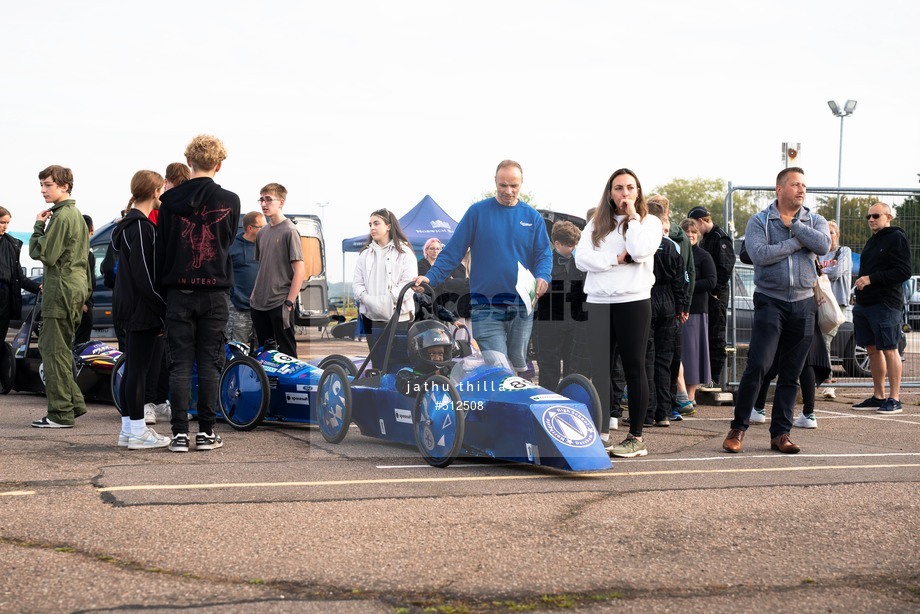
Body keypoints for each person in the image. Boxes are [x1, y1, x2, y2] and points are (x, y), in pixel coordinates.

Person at [722, 167, 830, 454]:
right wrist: (797, 242)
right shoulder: (760, 221)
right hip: (770, 300)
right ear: (779, 189)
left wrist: (796, 227)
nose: (801, 189)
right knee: (758, 364)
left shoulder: (814, 220)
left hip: (804, 303)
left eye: (804, 185)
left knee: (791, 373)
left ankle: (780, 434)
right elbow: (759, 256)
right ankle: (738, 428)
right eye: (795, 184)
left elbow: (823, 244)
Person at [413, 160, 552, 375]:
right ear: (495, 182)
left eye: (514, 186)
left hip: (522, 306)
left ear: (521, 184)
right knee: (498, 368)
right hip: (486, 306)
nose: (508, 191)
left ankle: (508, 407)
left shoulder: (532, 218)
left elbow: (543, 255)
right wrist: (430, 277)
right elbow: (452, 252)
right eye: (503, 185)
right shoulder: (477, 213)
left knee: (518, 365)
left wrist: (543, 276)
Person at [157, 134, 240, 452]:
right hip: (215, 290)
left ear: (188, 163)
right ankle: (206, 432)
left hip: (178, 289)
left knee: (179, 364)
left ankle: (179, 433)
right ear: (219, 164)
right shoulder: (230, 201)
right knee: (209, 362)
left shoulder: (169, 202)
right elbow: (227, 241)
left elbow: (161, 248)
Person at [575, 168, 662, 458]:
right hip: (599, 301)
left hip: (633, 301)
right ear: (609, 193)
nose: (624, 193)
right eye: (618, 188)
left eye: (629, 188)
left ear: (638, 191)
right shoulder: (596, 224)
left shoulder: (648, 222)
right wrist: (613, 259)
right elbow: (581, 259)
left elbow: (638, 252)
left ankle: (636, 437)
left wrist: (634, 219)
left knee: (634, 368)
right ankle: (601, 433)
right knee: (600, 369)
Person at [29, 165, 93, 428]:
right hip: (74, 289)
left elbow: (44, 254)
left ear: (64, 186)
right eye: (42, 185)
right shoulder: (76, 215)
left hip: (61, 290)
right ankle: (73, 403)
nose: (43, 190)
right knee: (60, 349)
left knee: (53, 350)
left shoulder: (62, 216)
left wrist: (37, 227)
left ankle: (60, 413)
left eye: (48, 185)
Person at [112, 170, 170, 449]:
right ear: (156, 191)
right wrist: (163, 308)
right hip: (141, 309)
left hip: (129, 306)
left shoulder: (126, 224)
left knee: (133, 367)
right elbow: (145, 276)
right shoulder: (141, 227)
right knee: (138, 370)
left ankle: (128, 429)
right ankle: (137, 432)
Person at [851, 202, 912, 414]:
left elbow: (904, 271)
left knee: (889, 348)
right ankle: (879, 396)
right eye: (868, 216)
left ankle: (895, 399)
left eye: (876, 216)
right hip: (865, 304)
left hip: (885, 303)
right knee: (872, 349)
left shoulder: (896, 237)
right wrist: (861, 284)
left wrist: (872, 279)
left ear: (888, 217)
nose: (871, 219)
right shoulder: (872, 241)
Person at [647, 195, 695, 416]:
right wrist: (682, 307)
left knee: (648, 357)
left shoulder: (642, 243)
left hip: (647, 299)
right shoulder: (674, 247)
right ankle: (664, 412)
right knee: (665, 359)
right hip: (669, 303)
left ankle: (649, 410)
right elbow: (682, 279)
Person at [353, 208, 418, 367]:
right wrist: (368, 300)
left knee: (396, 365)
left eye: (376, 223)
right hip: (370, 317)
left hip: (398, 316)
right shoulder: (364, 254)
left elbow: (408, 285)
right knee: (377, 364)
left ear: (388, 226)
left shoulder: (405, 253)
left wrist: (385, 301)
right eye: (370, 224)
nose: (372, 228)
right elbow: (357, 285)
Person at [250, 184, 304, 358]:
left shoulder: (290, 231)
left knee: (287, 355)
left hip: (280, 302)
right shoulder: (261, 233)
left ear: (281, 202)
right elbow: (263, 267)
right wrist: (253, 296)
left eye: (268, 199)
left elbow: (300, 270)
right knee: (263, 356)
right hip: (258, 303)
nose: (264, 204)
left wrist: (289, 302)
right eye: (262, 199)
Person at [533, 220, 588, 391]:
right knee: (549, 365)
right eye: (570, 245)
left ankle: (571, 398)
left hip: (575, 319)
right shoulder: (545, 263)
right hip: (549, 320)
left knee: (574, 365)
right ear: (557, 244)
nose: (574, 248)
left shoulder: (581, 262)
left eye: (576, 244)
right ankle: (548, 399)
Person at [687, 205, 733, 387]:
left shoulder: (719, 237)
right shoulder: (708, 237)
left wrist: (713, 290)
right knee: (707, 337)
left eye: (694, 228)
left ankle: (714, 378)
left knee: (716, 337)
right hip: (708, 296)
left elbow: (724, 268)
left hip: (716, 296)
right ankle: (707, 377)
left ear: (700, 222)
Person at [680, 218, 716, 405]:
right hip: (678, 309)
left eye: (693, 232)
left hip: (695, 310)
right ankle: (679, 393)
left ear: (698, 234)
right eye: (687, 232)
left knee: (693, 354)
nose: (690, 235)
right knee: (680, 353)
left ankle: (691, 395)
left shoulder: (704, 256)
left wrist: (689, 285)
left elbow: (712, 281)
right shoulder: (677, 253)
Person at [815, 220, 851, 399]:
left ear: (837, 235)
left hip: (837, 301)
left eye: (832, 232)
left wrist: (820, 271)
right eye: (825, 232)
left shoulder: (843, 252)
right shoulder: (818, 252)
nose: (828, 236)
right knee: (816, 340)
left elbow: (838, 273)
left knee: (825, 339)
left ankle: (828, 382)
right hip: (819, 301)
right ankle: (816, 378)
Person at [0, 206, 42, 341]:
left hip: (5, 299)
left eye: (7, 223)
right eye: (2, 222)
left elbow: (19, 277)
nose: (5, 227)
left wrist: (37, 287)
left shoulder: (12, 245)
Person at [228, 211, 266, 347]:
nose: (266, 230)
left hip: (262, 309)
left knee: (263, 349)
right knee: (236, 348)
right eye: (262, 227)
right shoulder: (232, 247)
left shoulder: (266, 246)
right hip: (239, 309)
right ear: (250, 228)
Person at [417, 238, 470, 320]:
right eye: (432, 248)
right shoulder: (421, 265)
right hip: (429, 304)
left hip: (446, 302)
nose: (435, 251)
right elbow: (438, 284)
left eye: (438, 249)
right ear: (426, 250)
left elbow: (454, 281)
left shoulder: (444, 265)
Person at [73, 214, 95, 345]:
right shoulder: (86, 253)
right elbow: (86, 281)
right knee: (80, 345)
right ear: (91, 229)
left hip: (75, 303)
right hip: (82, 305)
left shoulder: (69, 249)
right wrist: (82, 303)